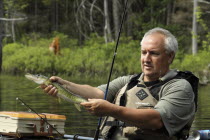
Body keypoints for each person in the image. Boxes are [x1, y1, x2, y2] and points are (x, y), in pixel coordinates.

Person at [41, 27, 196, 140]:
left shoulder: (179, 87)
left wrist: (111, 110)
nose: (146, 59)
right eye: (143, 52)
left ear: (170, 57)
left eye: (154, 53)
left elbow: (155, 120)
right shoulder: (128, 81)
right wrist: (63, 85)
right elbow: (96, 93)